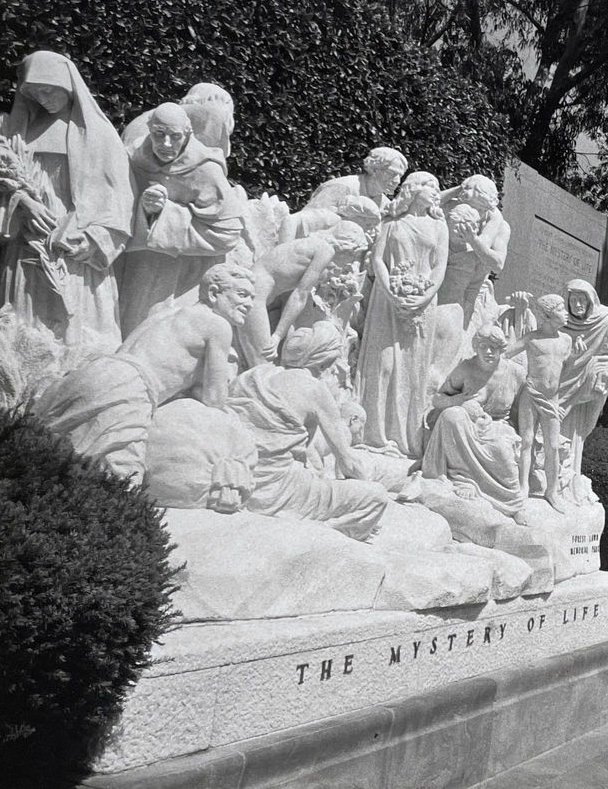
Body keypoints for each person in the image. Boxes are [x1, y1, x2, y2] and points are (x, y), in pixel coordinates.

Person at [0, 50, 134, 349]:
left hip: (73, 243)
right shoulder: (20, 133)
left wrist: (95, 239)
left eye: (49, 90)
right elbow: (0, 187)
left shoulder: (99, 135)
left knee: (76, 337)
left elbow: (118, 198)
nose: (43, 98)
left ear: (67, 85)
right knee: (21, 332)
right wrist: (23, 202)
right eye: (34, 92)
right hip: (27, 239)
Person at [32, 264, 255, 482]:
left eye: (252, 298)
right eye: (242, 295)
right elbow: (214, 399)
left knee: (44, 458)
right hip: (130, 387)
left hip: (95, 371)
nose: (250, 304)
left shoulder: (164, 313)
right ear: (214, 293)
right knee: (118, 479)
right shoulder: (218, 325)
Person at [225, 323, 390, 540]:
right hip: (280, 490)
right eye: (332, 362)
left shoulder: (254, 376)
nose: (333, 369)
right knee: (377, 496)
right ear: (323, 362)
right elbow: (348, 463)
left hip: (239, 482)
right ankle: (324, 531)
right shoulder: (315, 389)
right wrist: (364, 485)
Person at [117, 102, 247, 333]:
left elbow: (228, 233)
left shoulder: (205, 168)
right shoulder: (133, 156)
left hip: (184, 269)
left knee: (157, 327)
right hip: (134, 257)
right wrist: (144, 209)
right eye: (159, 134)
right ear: (149, 131)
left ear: (187, 134)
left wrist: (165, 213)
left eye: (175, 136)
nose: (166, 144)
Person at [357, 172, 449, 456]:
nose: (435, 192)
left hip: (422, 301)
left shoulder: (439, 226)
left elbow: (439, 266)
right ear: (413, 189)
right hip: (387, 299)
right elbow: (378, 260)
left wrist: (424, 296)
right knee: (382, 364)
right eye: (430, 186)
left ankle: (404, 438)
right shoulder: (392, 222)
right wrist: (390, 291)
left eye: (437, 188)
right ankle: (373, 434)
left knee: (412, 368)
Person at [419, 324, 528, 520]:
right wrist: (458, 400)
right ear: (476, 347)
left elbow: (523, 410)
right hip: (467, 424)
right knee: (451, 415)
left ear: (501, 348)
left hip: (498, 426)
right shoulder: (466, 368)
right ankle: (463, 479)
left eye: (493, 347)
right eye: (483, 346)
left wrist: (525, 438)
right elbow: (438, 399)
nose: (488, 352)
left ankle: (513, 505)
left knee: (501, 450)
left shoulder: (516, 373)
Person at [239, 219, 370, 368]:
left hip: (255, 288)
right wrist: (277, 336)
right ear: (346, 246)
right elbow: (300, 295)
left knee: (261, 363)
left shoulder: (314, 245)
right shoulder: (325, 251)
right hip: (255, 292)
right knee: (262, 365)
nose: (351, 261)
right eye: (354, 254)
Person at [430, 174, 512, 377]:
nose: (474, 213)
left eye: (480, 209)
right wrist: (459, 189)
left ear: (489, 207)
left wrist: (473, 240)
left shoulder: (498, 225)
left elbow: (497, 264)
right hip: (437, 289)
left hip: (469, 303)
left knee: (453, 357)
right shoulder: (454, 208)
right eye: (470, 205)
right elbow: (423, 202)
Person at [504, 292, 575, 513]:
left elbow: (566, 369)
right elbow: (506, 353)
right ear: (548, 315)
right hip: (531, 395)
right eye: (561, 310)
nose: (566, 313)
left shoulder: (566, 340)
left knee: (552, 446)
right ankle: (523, 487)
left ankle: (552, 491)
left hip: (552, 399)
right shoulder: (532, 338)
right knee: (527, 441)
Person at [557, 278, 608, 504]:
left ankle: (569, 481)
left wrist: (602, 371)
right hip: (560, 387)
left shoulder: (603, 322)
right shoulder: (560, 322)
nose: (577, 305)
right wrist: (571, 356)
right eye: (573, 300)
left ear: (590, 301)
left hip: (584, 392)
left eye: (582, 300)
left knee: (573, 437)